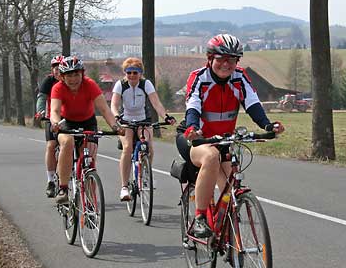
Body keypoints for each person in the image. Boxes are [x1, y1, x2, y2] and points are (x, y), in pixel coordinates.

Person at [177, 34, 285, 238]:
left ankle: (225, 229)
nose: (226, 64)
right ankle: (200, 218)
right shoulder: (200, 77)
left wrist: (268, 125)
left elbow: (253, 103)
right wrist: (193, 128)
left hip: (223, 139)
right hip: (195, 138)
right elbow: (193, 106)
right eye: (221, 59)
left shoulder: (240, 77)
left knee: (228, 188)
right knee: (211, 157)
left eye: (232, 59)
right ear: (210, 58)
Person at [50, 56, 124, 204]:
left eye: (76, 75)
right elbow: (55, 110)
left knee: (89, 160)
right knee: (68, 142)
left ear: (82, 74)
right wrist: (56, 123)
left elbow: (104, 109)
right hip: (66, 123)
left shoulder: (90, 85)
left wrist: (116, 127)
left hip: (88, 123)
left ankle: (90, 199)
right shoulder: (58, 88)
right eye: (69, 75)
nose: (73, 79)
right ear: (63, 77)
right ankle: (63, 189)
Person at [110, 57, 176, 201]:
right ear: (125, 73)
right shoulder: (120, 85)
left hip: (143, 120)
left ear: (141, 73)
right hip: (125, 120)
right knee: (127, 148)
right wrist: (116, 116)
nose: (132, 76)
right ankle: (124, 187)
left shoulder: (146, 84)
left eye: (136, 72)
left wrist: (166, 117)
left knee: (148, 147)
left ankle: (145, 174)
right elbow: (114, 104)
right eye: (129, 72)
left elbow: (156, 103)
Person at [35, 55, 64, 198]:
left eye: (60, 67)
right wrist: (40, 111)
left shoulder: (69, 79)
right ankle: (51, 181)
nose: (57, 70)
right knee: (51, 145)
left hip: (68, 117)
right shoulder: (49, 81)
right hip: (51, 118)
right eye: (55, 67)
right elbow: (41, 97)